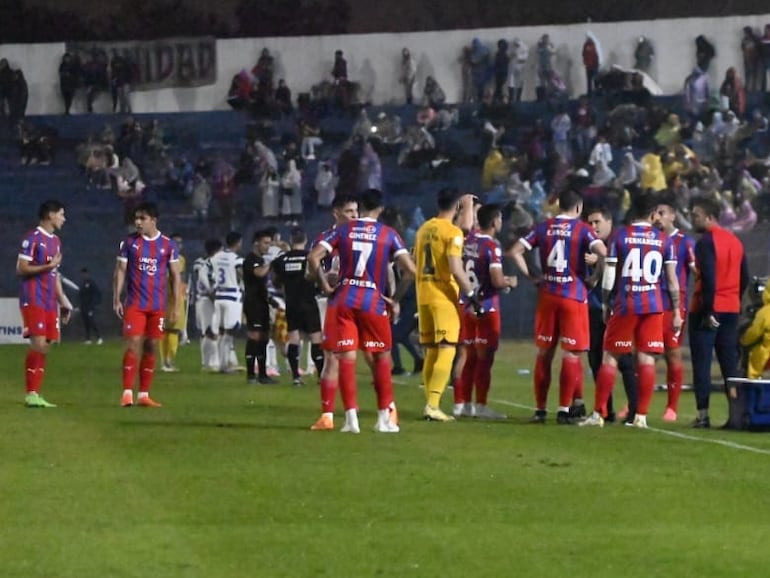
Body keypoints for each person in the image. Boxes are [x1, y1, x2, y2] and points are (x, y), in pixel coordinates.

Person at [308, 189, 416, 433]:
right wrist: (394, 299)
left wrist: (326, 286)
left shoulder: (342, 229)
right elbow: (411, 272)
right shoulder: (388, 234)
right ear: (380, 209)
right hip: (372, 300)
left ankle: (350, 421)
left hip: (343, 298)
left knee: (345, 358)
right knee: (381, 358)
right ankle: (383, 419)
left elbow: (313, 258)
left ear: (360, 207)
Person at [580, 194, 681, 429]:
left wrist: (606, 305)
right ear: (653, 213)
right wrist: (676, 310)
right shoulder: (665, 240)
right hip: (654, 306)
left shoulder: (621, 236)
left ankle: (598, 414)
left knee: (610, 357)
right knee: (646, 357)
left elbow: (609, 275)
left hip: (626, 304)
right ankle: (641, 417)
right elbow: (673, 280)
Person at [510, 190, 606, 424]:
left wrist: (532, 277)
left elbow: (515, 251)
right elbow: (603, 252)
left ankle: (540, 410)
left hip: (548, 294)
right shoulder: (582, 229)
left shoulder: (543, 227)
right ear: (578, 208)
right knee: (572, 354)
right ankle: (564, 410)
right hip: (573, 296)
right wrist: (594, 276)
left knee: (544, 353)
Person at [414, 188, 479, 422]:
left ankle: (430, 403)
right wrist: (471, 293)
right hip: (443, 296)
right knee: (447, 348)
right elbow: (454, 266)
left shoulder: (423, 229)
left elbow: (415, 261)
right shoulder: (452, 232)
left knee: (432, 349)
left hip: (423, 294)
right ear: (457, 208)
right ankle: (433, 405)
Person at [113, 201, 182, 407]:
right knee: (133, 343)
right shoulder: (129, 243)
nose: (138, 222)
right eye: (136, 218)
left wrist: (176, 306)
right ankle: (127, 392)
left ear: (153, 220)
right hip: (135, 303)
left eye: (142, 218)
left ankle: (143, 394)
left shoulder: (168, 245)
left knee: (151, 346)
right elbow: (120, 271)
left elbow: (176, 277)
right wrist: (116, 298)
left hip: (157, 305)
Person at [689, 196, 749, 428]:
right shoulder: (735, 241)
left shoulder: (706, 241)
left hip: (708, 309)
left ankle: (703, 416)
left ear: (710, 217)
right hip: (731, 309)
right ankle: (736, 415)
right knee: (729, 365)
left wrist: (709, 309)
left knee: (702, 364)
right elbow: (744, 276)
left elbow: (711, 278)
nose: (693, 219)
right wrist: (734, 298)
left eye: (696, 215)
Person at [454, 204, 517, 419]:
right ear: (494, 222)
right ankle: (481, 406)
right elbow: (497, 280)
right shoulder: (492, 246)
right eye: (499, 219)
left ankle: (463, 404)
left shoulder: (468, 241)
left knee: (469, 356)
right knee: (485, 358)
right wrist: (510, 281)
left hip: (467, 304)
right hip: (487, 308)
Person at [581, 206, 637, 423]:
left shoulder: (618, 242)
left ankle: (635, 410)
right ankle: (605, 410)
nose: (593, 227)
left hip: (615, 309)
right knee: (596, 359)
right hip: (595, 309)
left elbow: (618, 269)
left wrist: (599, 265)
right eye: (591, 223)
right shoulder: (591, 245)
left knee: (624, 361)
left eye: (597, 222)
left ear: (609, 222)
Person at [307, 194, 359, 431]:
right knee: (333, 356)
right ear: (336, 213)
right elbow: (308, 273)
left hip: (362, 302)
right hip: (334, 302)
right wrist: (324, 279)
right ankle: (328, 414)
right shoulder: (325, 240)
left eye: (356, 212)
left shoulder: (361, 237)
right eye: (349, 212)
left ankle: (386, 410)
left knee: (373, 354)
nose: (354, 217)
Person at [17, 200, 73, 408]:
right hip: (34, 297)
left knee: (46, 346)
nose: (63, 218)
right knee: (38, 344)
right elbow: (21, 268)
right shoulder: (32, 238)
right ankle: (30, 393)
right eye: (61, 214)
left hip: (50, 301)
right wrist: (48, 265)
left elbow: (54, 273)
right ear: (50, 215)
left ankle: (36, 394)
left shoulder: (56, 241)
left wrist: (63, 301)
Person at [653, 195, 696, 422]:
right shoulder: (651, 239)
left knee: (672, 354)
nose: (657, 218)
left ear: (672, 215)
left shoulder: (685, 242)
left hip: (672, 306)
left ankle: (672, 407)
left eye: (662, 213)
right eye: (655, 213)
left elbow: (697, 272)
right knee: (643, 355)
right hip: (650, 304)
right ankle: (634, 404)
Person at [271, 227, 325, 385]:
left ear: (290, 240)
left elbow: (275, 281)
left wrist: (286, 284)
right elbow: (318, 277)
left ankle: (296, 377)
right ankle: (321, 376)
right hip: (309, 301)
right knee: (316, 338)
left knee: (294, 339)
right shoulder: (311, 257)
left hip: (292, 303)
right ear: (306, 240)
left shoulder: (282, 260)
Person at [241, 230, 274, 384]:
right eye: (265, 243)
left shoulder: (261, 259)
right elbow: (259, 273)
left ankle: (262, 374)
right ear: (256, 243)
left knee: (264, 338)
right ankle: (250, 375)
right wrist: (271, 263)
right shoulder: (250, 259)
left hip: (263, 302)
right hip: (253, 303)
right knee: (254, 337)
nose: (268, 246)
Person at [210, 231, 244, 375]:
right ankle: (224, 365)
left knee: (223, 330)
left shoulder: (216, 257)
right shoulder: (236, 259)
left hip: (219, 296)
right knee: (230, 331)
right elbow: (240, 274)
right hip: (232, 296)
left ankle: (223, 362)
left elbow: (212, 276)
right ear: (238, 243)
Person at [193, 238, 222, 371]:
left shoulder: (216, 264)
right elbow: (202, 278)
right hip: (205, 299)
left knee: (214, 330)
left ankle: (210, 362)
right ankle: (208, 362)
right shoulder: (201, 263)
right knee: (209, 331)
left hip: (214, 299)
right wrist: (211, 292)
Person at [160, 233, 187, 372]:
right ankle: (167, 361)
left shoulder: (164, 258)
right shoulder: (175, 259)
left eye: (180, 243)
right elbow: (173, 279)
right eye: (175, 243)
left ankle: (165, 361)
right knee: (171, 329)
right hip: (170, 298)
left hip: (169, 298)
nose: (178, 246)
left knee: (167, 329)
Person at [78, 267, 103, 345]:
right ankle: (88, 339)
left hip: (90, 307)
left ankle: (99, 338)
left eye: (84, 274)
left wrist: (94, 303)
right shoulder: (83, 284)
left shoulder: (91, 283)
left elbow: (98, 293)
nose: (83, 275)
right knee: (86, 323)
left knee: (92, 322)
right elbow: (81, 295)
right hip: (84, 307)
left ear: (87, 274)